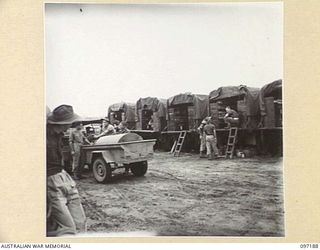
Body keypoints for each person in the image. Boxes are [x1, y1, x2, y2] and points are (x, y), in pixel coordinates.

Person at [46, 105, 86, 237]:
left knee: (80, 222)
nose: (71, 125)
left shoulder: (59, 134)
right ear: (63, 123)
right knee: (68, 228)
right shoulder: (44, 137)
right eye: (69, 122)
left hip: (64, 176)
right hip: (51, 180)